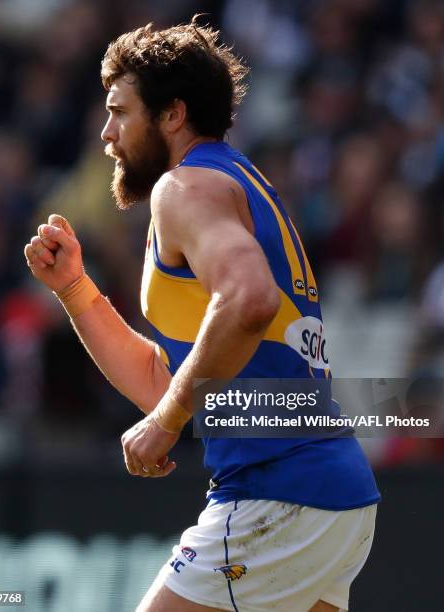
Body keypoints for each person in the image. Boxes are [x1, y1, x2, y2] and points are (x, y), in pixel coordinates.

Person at [24, 16, 380, 612]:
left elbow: (249, 302)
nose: (107, 134)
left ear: (172, 115)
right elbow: (167, 383)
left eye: (120, 111)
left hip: (275, 494)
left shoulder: (186, 190)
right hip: (330, 497)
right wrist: (76, 290)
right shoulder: (238, 184)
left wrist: (165, 422)